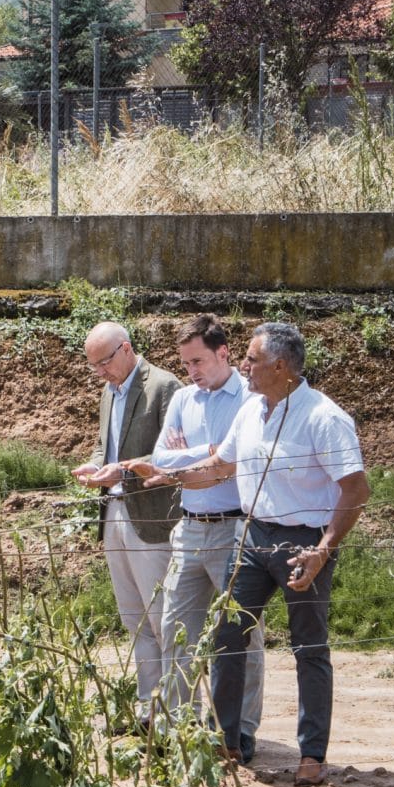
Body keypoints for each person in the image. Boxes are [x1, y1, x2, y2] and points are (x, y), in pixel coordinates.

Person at [128, 322, 369, 787]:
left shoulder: (324, 417)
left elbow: (356, 489)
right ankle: (229, 740)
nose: (244, 366)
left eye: (252, 360)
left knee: (309, 647)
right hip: (253, 537)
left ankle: (312, 754)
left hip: (305, 542)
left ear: (280, 366)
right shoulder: (252, 411)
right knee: (227, 637)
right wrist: (166, 474)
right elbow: (221, 467)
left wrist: (322, 552)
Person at [145, 315, 265, 761]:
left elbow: (235, 459)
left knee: (241, 633)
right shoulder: (182, 398)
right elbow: (161, 457)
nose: (191, 370)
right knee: (176, 628)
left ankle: (241, 729)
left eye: (198, 360)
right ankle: (181, 725)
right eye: (186, 362)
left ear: (224, 353)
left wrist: (195, 457)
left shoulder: (249, 400)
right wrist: (210, 452)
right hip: (190, 526)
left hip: (236, 527)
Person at [69, 322, 181, 727]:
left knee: (162, 616)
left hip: (151, 515)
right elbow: (106, 445)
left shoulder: (164, 387)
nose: (99, 372)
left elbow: (172, 454)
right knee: (134, 617)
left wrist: (121, 472)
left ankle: (174, 711)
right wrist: (97, 464)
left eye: (103, 363)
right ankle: (147, 711)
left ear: (126, 349)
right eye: (93, 366)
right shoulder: (108, 392)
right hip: (115, 513)